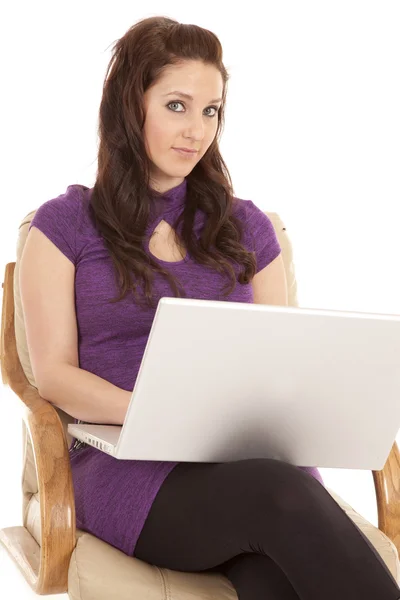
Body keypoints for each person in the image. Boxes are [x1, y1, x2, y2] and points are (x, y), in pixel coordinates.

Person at [19, 15, 400, 600]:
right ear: (131, 105)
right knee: (278, 495)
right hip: (132, 467)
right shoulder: (64, 225)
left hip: (248, 461)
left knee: (273, 574)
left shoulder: (248, 228)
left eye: (211, 110)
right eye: (177, 105)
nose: (196, 130)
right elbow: (54, 375)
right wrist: (160, 415)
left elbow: (282, 367)